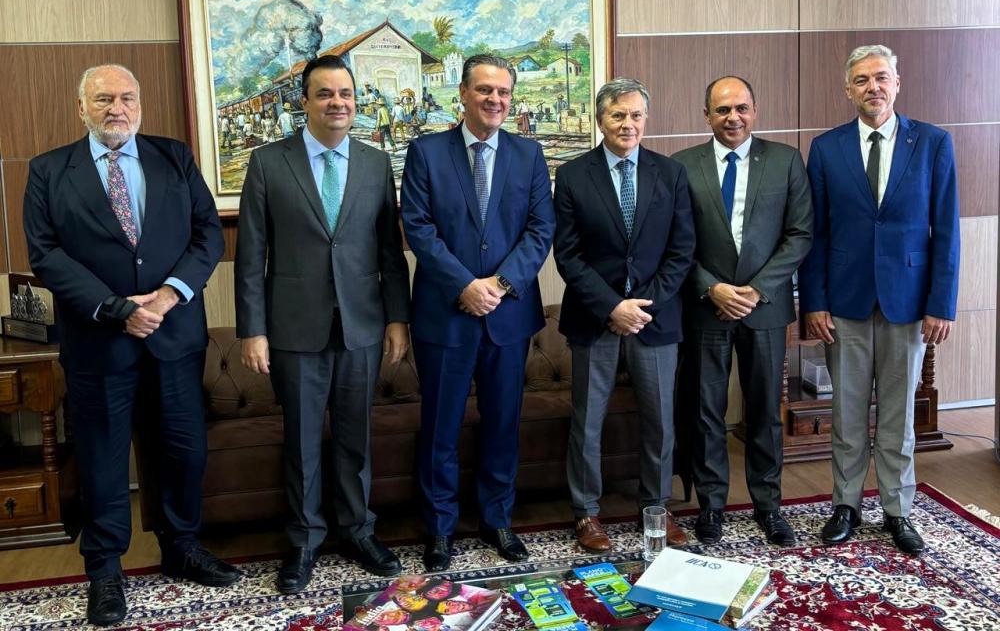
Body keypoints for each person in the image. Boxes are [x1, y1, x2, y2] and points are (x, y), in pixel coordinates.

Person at [22, 64, 235, 626]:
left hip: (174, 336)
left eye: (126, 97)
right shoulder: (48, 171)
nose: (116, 108)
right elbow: (45, 255)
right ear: (81, 108)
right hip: (98, 343)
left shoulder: (175, 157)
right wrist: (118, 309)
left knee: (183, 452)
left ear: (140, 104)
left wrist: (166, 297)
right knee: (103, 458)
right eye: (103, 99)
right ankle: (105, 571)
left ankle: (181, 548)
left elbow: (208, 233)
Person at [235, 54, 411, 590]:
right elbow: (251, 255)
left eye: (346, 94)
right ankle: (304, 541)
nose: (338, 103)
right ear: (305, 102)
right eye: (326, 94)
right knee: (304, 440)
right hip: (293, 328)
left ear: (356, 101)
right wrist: (253, 329)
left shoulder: (378, 163)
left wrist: (397, 320)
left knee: (356, 438)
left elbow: (389, 251)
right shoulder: (268, 162)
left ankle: (359, 531)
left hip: (362, 324)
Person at [798, 45, 960, 556]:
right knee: (845, 413)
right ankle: (846, 505)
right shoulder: (826, 149)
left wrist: (942, 303)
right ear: (848, 89)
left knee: (898, 415)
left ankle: (897, 509)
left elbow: (946, 232)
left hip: (908, 302)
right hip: (843, 303)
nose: (873, 87)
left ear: (897, 83)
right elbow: (815, 233)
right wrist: (814, 301)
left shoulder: (932, 143)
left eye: (882, 77)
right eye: (863, 80)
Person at [400, 54, 555, 572]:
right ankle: (440, 528)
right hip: (445, 314)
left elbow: (540, 230)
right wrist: (465, 284)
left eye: (504, 92)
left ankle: (497, 519)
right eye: (485, 90)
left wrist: (501, 284)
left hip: (508, 316)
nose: (495, 100)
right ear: (462, 94)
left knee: (503, 424)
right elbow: (418, 228)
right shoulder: (425, 152)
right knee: (440, 426)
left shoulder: (529, 154)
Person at [552, 78, 695, 553]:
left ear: (646, 120)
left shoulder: (670, 174)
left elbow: (681, 250)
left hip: (655, 320)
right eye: (617, 116)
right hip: (595, 319)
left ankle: (656, 507)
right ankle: (586, 515)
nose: (627, 124)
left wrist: (641, 308)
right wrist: (612, 306)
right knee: (587, 420)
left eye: (635, 115)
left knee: (660, 419)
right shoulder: (572, 176)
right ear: (600, 120)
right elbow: (568, 256)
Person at [672, 76, 813, 547]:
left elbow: (799, 235)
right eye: (723, 109)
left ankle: (768, 506)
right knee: (706, 412)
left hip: (765, 308)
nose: (734, 117)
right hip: (706, 309)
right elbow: (673, 245)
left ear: (755, 110)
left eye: (742, 108)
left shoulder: (785, 160)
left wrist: (755, 289)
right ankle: (711, 506)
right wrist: (712, 288)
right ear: (706, 114)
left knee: (765, 412)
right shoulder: (682, 167)